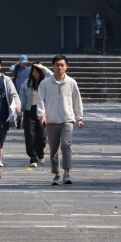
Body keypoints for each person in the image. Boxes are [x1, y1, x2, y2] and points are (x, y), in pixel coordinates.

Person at [37, 55, 84, 186]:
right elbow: (40, 100)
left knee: (66, 145)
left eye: (62, 65)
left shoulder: (71, 82)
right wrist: (42, 115)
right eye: (57, 65)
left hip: (67, 120)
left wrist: (79, 117)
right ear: (53, 66)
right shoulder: (45, 83)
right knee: (53, 149)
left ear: (66, 67)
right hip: (51, 120)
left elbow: (77, 100)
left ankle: (67, 173)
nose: (60, 67)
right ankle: (57, 174)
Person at [19, 63, 49, 167]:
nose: (35, 74)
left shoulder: (46, 82)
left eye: (37, 71)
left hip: (43, 111)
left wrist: (43, 67)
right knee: (30, 135)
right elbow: (22, 95)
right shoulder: (27, 83)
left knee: (41, 135)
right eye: (33, 71)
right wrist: (21, 109)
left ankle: (40, 154)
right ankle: (33, 158)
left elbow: (51, 75)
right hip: (29, 110)